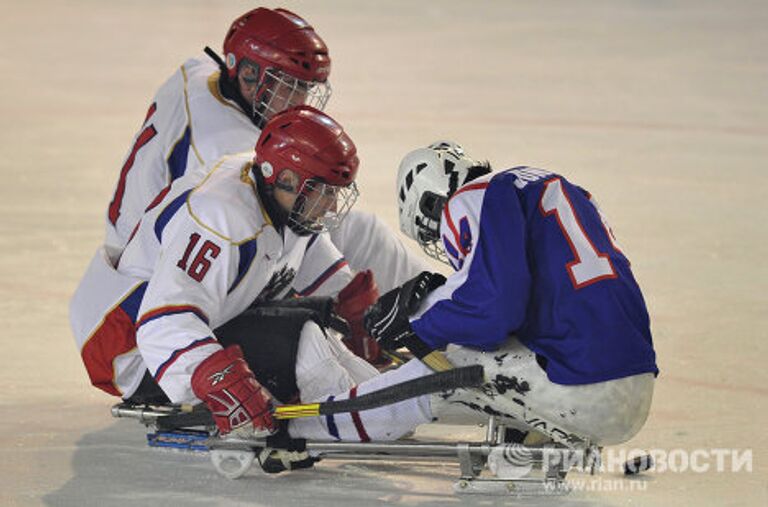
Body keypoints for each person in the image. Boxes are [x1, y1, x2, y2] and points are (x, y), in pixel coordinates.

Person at [94, 6, 429, 366]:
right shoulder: (222, 148)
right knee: (352, 238)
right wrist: (346, 307)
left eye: (304, 88)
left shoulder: (201, 73)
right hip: (151, 288)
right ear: (248, 74)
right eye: (288, 86)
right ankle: (449, 326)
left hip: (149, 249)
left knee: (354, 232)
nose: (299, 101)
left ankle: (444, 319)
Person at [286, 141, 658, 448]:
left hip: (583, 385)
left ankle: (310, 424)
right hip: (631, 386)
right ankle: (531, 429)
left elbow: (493, 311)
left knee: (447, 366)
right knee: (465, 364)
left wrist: (418, 324)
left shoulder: (475, 195)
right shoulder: (552, 189)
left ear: (431, 202)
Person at [71, 107, 385, 467]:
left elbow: (312, 259)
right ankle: (359, 421)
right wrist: (219, 379)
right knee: (303, 338)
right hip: (129, 350)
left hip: (196, 322)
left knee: (325, 326)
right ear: (282, 178)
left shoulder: (281, 198)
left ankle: (384, 408)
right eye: (322, 191)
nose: (331, 204)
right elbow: (163, 323)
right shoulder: (219, 219)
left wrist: (353, 306)